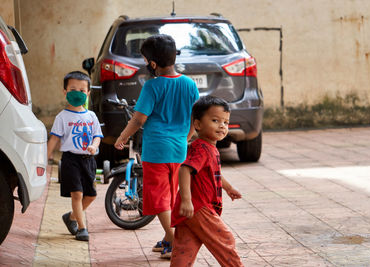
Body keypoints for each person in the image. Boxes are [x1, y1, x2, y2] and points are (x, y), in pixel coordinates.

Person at [114, 34, 199, 259]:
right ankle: (168, 237)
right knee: (171, 196)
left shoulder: (152, 87)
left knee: (159, 197)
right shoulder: (189, 84)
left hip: (156, 151)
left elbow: (139, 119)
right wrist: (185, 137)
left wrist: (122, 137)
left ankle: (173, 240)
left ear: (152, 63)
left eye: (144, 59)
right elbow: (195, 119)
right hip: (179, 150)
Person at [170, 96, 244, 267]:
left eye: (225, 122)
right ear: (198, 125)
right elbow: (184, 169)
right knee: (225, 240)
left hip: (192, 209)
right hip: (199, 206)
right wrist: (187, 201)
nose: (222, 126)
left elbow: (214, 174)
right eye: (215, 120)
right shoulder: (202, 148)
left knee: (185, 249)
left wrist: (229, 188)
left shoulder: (209, 147)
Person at [47, 71, 103, 241]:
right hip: (71, 160)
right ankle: (82, 228)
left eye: (81, 90)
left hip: (88, 161)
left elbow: (97, 136)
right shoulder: (62, 117)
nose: (77, 93)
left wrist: (94, 146)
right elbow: (54, 139)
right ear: (65, 92)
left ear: (87, 93)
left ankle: (70, 217)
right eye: (72, 89)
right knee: (77, 194)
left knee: (91, 195)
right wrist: (44, 159)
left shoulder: (91, 116)